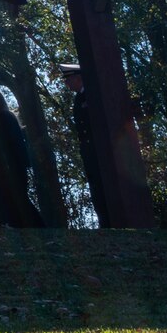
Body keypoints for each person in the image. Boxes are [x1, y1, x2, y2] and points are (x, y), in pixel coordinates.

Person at [0, 89, 41, 228]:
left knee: (18, 200)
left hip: (12, 166)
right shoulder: (2, 118)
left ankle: (38, 227)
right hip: (12, 166)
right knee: (15, 200)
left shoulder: (3, 117)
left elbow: (6, 142)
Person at [61, 63, 107, 223]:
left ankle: (109, 219)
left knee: (104, 184)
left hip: (99, 148)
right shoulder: (79, 98)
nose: (66, 84)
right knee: (95, 184)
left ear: (78, 78)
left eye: (68, 80)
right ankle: (104, 220)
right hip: (88, 148)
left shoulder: (93, 95)